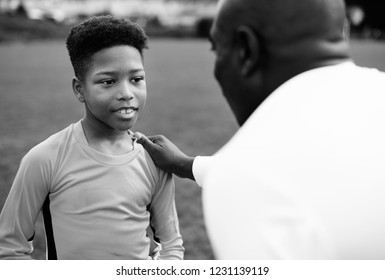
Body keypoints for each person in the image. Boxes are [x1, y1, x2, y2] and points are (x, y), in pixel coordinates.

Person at [135, 0, 385, 259]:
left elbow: (261, 174)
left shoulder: (249, 181)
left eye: (217, 50)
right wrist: (188, 165)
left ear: (246, 50)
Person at [0, 16, 184, 260]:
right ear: (79, 89)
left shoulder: (155, 160)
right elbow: (9, 250)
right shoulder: (45, 159)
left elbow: (171, 245)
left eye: (136, 79)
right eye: (108, 82)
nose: (127, 94)